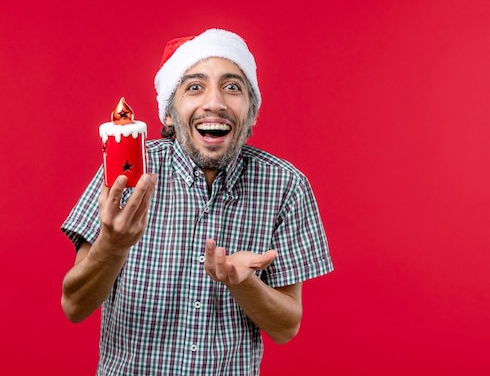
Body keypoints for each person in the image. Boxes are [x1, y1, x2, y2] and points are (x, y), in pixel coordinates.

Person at [60, 28, 333, 375]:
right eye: (194, 87)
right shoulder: (126, 171)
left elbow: (286, 327)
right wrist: (112, 247)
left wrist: (243, 283)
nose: (215, 102)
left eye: (233, 87)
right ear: (170, 114)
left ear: (251, 113)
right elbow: (74, 306)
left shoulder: (285, 185)